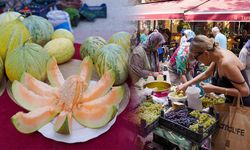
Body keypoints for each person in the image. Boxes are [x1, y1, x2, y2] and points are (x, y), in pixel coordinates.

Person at [177, 35, 250, 106]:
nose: (197, 61)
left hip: (241, 107)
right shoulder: (217, 55)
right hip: (232, 104)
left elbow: (245, 92)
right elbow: (206, 74)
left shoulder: (226, 63)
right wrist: (186, 84)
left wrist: (214, 89)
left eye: (196, 58)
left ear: (206, 53)